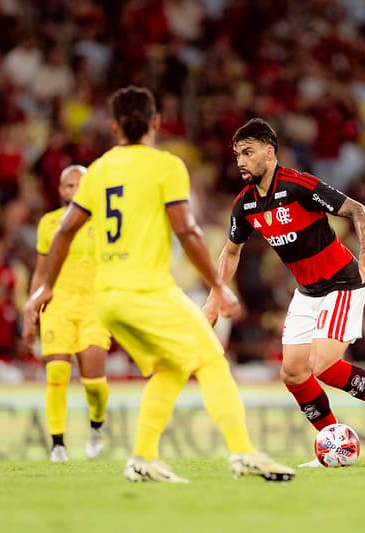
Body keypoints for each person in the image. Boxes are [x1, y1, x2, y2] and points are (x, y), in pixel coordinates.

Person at [24, 86, 293, 483]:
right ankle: (243, 453)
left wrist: (45, 286)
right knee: (211, 357)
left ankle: (143, 458)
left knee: (173, 365)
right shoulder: (166, 166)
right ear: (155, 123)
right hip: (146, 290)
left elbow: (63, 232)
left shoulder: (97, 170)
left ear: (115, 127)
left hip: (107, 300)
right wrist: (218, 285)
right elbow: (186, 229)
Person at [204, 118, 365, 467]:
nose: (240, 162)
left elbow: (359, 211)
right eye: (237, 155)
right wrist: (214, 300)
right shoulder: (245, 205)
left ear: (269, 152)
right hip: (307, 292)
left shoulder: (298, 186)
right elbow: (231, 252)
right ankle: (333, 445)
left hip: (342, 283)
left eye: (248, 153)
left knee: (322, 364)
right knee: (292, 372)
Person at [24, 165, 111, 463]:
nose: (75, 190)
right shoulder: (49, 224)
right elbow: (40, 272)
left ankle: (97, 426)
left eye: (81, 185)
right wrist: (31, 308)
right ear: (61, 190)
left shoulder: (104, 222)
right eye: (70, 185)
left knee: (94, 384)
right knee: (57, 373)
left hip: (93, 307)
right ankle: (57, 445)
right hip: (57, 306)